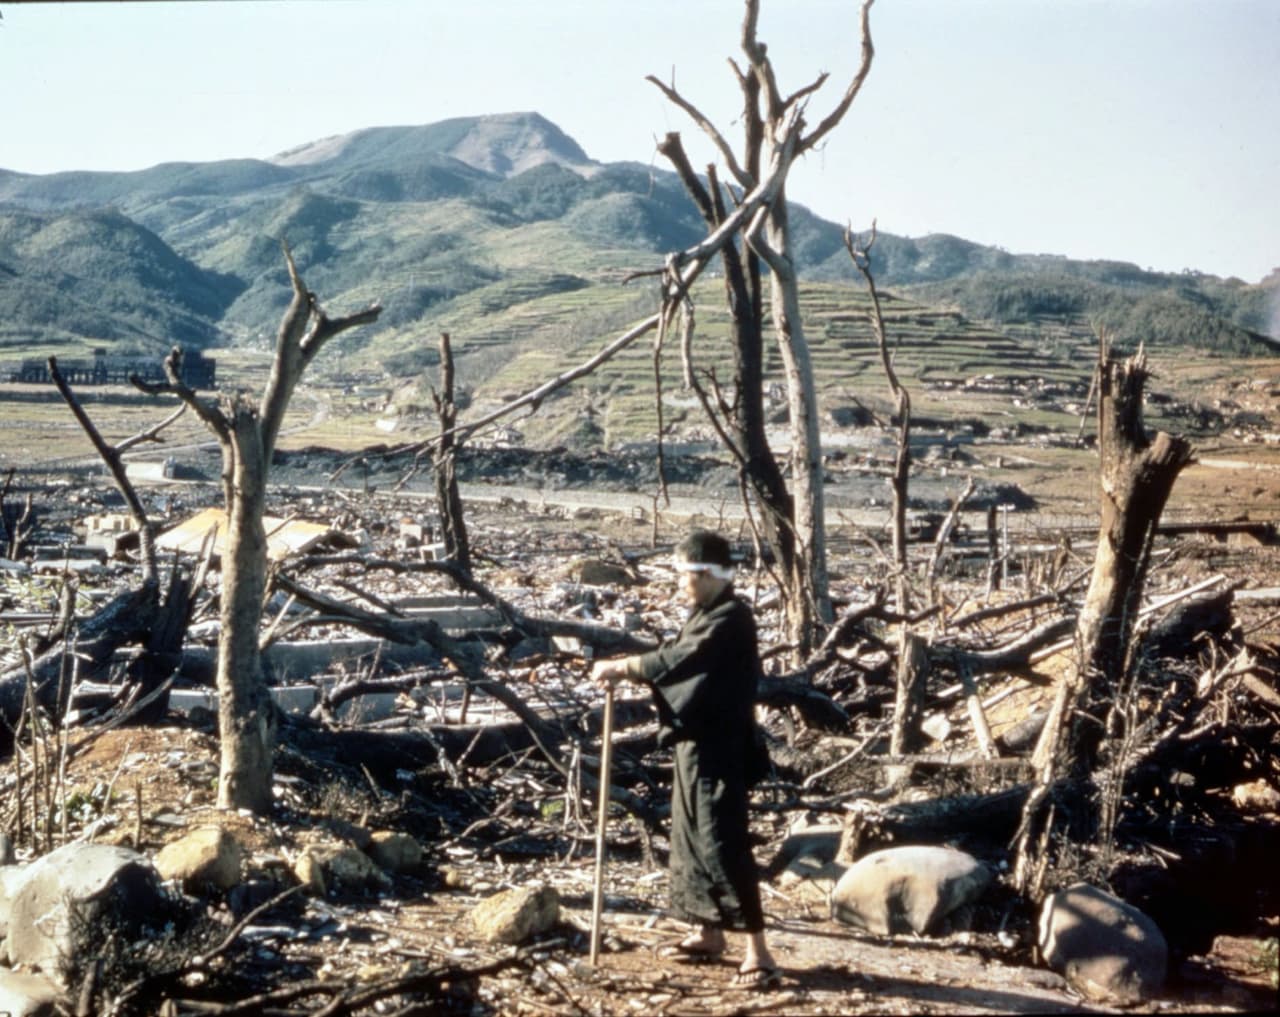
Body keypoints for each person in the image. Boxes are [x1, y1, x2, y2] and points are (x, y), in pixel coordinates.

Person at [591, 529, 779, 988]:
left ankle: (758, 949)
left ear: (709, 574)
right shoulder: (705, 611)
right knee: (690, 836)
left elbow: (679, 660)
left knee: (721, 838)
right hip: (693, 743)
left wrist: (624, 667)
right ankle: (707, 931)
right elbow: (678, 661)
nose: (680, 585)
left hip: (722, 745)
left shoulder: (732, 618)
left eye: (685, 576)